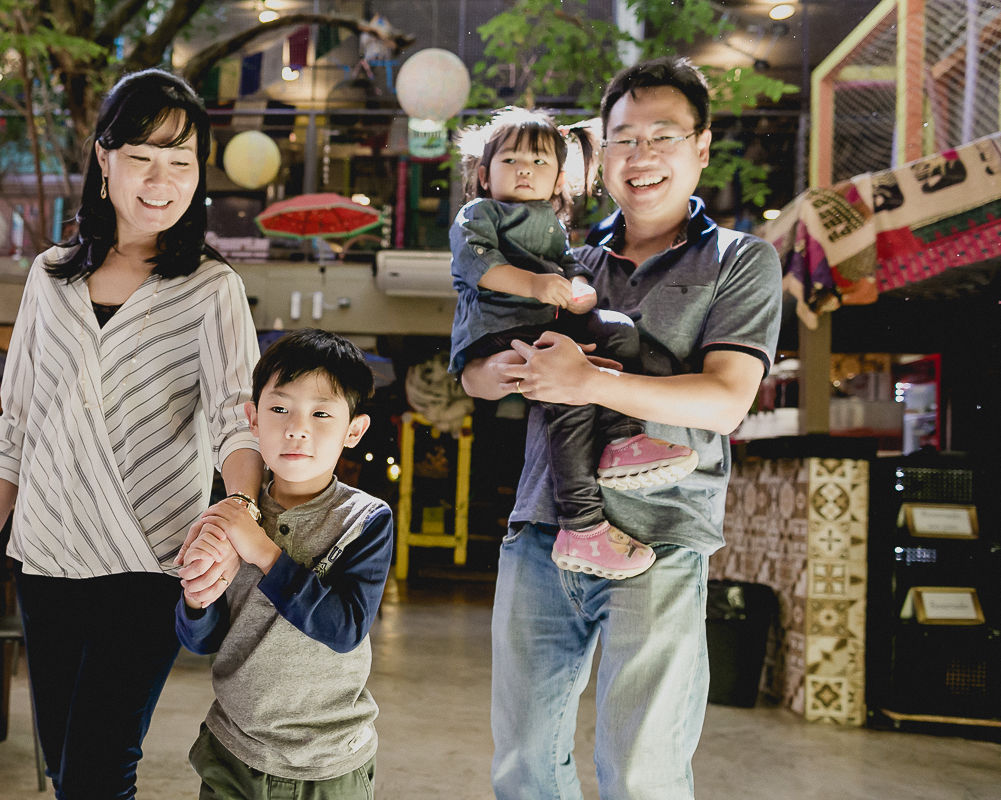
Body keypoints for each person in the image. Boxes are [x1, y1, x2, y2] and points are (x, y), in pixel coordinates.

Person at [459, 57, 782, 800]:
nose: (642, 156)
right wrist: (502, 366)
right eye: (624, 139)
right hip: (541, 532)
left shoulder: (740, 261)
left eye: (663, 136)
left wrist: (589, 381)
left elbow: (725, 401)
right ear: (600, 155)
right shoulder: (562, 262)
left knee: (641, 770)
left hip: (660, 538)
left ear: (701, 148)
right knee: (523, 763)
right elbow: (476, 376)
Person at [0, 68, 264, 800]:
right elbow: (16, 424)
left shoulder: (210, 287)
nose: (161, 181)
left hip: (148, 557)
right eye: (141, 158)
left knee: (99, 768)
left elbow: (236, 419)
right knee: (66, 768)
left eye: (180, 162)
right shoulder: (49, 277)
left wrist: (238, 514)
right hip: (47, 554)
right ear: (103, 158)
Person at [450, 107, 698, 580]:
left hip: (548, 327)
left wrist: (581, 288)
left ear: (559, 180)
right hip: (498, 327)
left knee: (618, 329)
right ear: (483, 175)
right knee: (571, 394)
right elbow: (478, 265)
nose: (525, 170)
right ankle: (581, 525)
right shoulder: (478, 213)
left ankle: (622, 439)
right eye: (510, 160)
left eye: (539, 162)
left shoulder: (550, 222)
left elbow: (569, 266)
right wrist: (536, 285)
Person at [175, 329, 392, 800]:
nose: (297, 428)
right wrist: (197, 599)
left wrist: (262, 550)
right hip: (233, 751)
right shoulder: (229, 516)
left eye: (321, 414)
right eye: (279, 409)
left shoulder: (364, 520)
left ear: (354, 431)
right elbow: (203, 640)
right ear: (253, 419)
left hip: (329, 764)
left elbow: (344, 628)